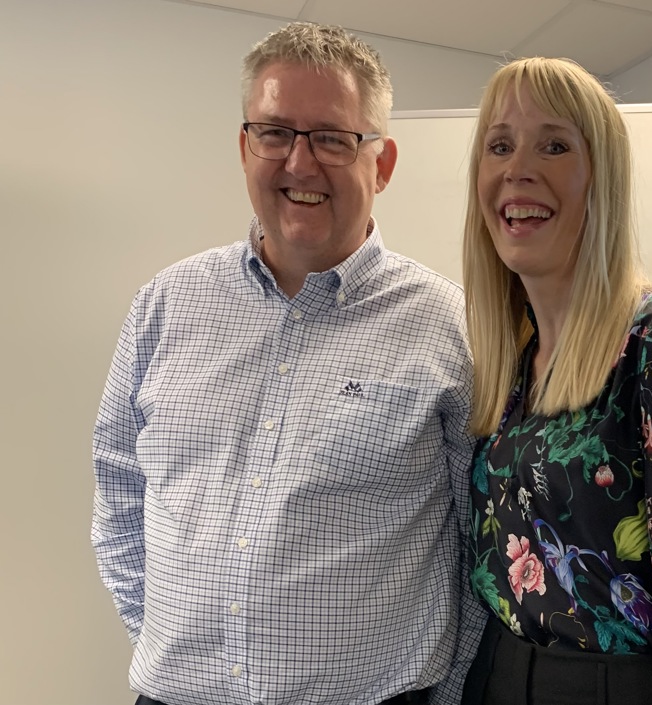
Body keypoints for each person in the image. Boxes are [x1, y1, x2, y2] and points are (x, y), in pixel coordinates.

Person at [92, 22, 482, 705]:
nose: (300, 164)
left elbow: (481, 537)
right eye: (275, 133)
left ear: (382, 164)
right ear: (246, 147)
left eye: (332, 138)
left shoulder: (446, 327)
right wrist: (162, 637)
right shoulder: (165, 305)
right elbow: (119, 487)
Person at [459, 58, 652, 705]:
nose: (518, 168)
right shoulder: (513, 362)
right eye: (500, 145)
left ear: (602, 179)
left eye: (555, 144)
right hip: (496, 675)